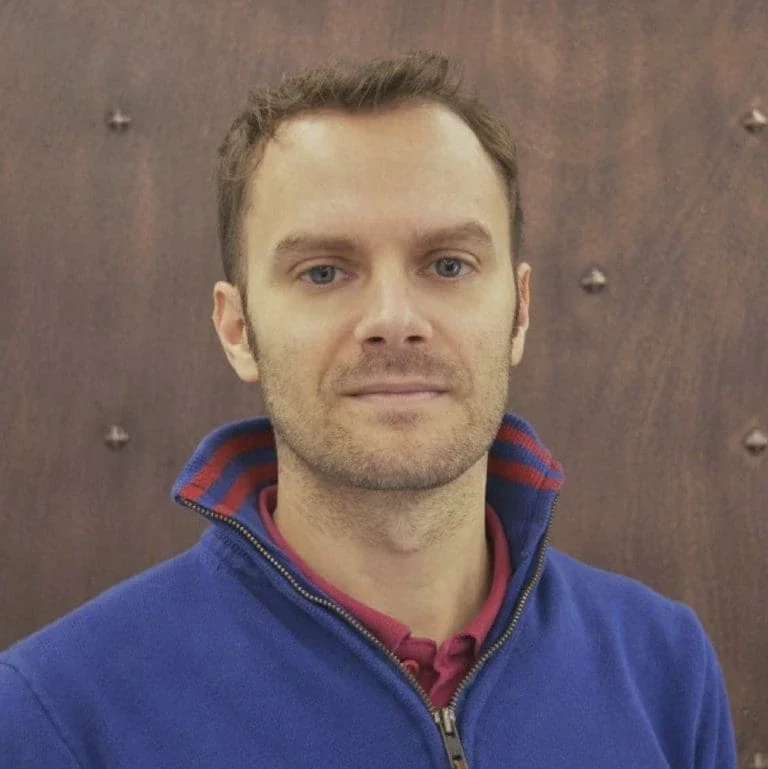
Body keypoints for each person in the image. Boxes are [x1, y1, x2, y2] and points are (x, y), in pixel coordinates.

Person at [0, 51, 736, 768]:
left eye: (448, 264)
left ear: (519, 311)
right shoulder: (57, 714)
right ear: (238, 330)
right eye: (324, 271)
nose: (393, 319)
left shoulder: (663, 670)